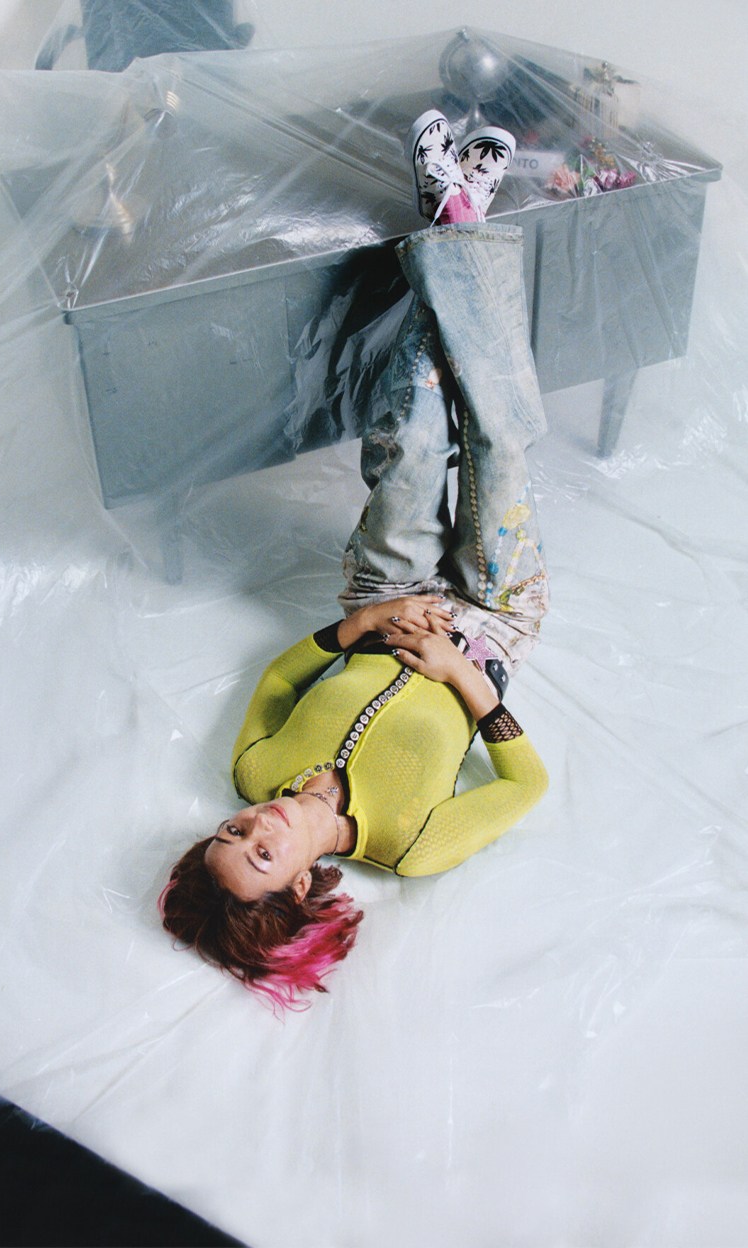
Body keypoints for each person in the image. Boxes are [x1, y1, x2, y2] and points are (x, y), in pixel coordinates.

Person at [160, 110, 549, 1011]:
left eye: (232, 830)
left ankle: (455, 223)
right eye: (262, 850)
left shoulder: (256, 773)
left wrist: (360, 625)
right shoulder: (410, 846)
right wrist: (462, 674)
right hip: (491, 624)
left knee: (412, 435)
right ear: (301, 886)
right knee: (498, 443)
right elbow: (525, 785)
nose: (258, 819)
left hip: (383, 598)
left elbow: (279, 675)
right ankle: (457, 224)